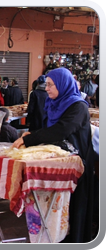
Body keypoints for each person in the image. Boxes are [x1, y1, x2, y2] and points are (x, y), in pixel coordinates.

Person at [12, 67, 94, 243]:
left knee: (72, 209)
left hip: (76, 167)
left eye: (50, 85)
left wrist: (31, 139)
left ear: (63, 85)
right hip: (58, 165)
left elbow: (60, 131)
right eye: (46, 84)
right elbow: (49, 130)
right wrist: (31, 135)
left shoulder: (78, 107)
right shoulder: (54, 104)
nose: (46, 88)